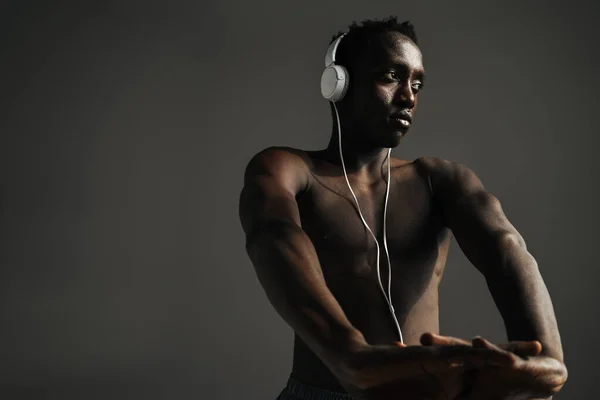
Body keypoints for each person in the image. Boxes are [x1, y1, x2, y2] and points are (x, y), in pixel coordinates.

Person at [238, 16, 567, 400]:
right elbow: (272, 238)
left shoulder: (439, 180)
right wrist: (350, 356)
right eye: (391, 76)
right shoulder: (290, 169)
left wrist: (546, 360)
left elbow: (508, 248)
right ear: (338, 83)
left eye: (417, 83)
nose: (409, 96)